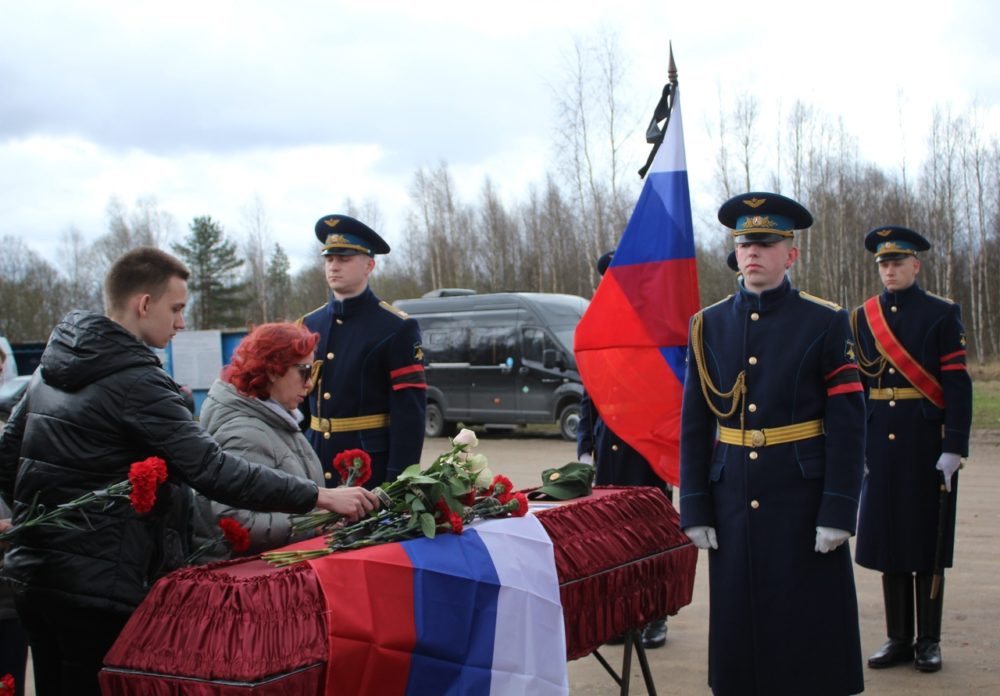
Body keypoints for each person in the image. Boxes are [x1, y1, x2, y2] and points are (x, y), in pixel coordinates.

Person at [0, 246, 380, 696]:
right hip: (101, 589)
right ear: (144, 304)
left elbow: (9, 457)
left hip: (37, 578)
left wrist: (48, 526)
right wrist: (319, 496)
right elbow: (211, 467)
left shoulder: (51, 367)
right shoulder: (136, 380)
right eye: (176, 308)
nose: (181, 322)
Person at [679, 192, 866, 696]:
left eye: (765, 242)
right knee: (741, 621)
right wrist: (694, 505)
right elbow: (695, 424)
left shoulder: (826, 321)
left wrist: (840, 510)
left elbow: (849, 425)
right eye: (744, 243)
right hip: (733, 494)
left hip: (801, 496)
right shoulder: (707, 324)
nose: (753, 252)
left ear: (791, 253)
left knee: (806, 623)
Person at [851, 226, 972, 673]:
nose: (890, 270)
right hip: (880, 442)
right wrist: (857, 444)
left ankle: (929, 640)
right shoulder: (863, 317)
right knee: (889, 543)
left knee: (927, 542)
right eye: (883, 264)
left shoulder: (942, 313)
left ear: (915, 266)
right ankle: (898, 637)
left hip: (927, 443)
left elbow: (958, 385)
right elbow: (857, 387)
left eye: (897, 262)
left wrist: (954, 446)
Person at [577, 250, 670, 649]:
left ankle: (655, 616)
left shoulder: (660, 328)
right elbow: (588, 394)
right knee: (614, 538)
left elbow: (673, 395)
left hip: (648, 452)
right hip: (609, 452)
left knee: (650, 536)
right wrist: (585, 445)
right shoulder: (598, 328)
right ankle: (622, 618)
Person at [300, 214, 427, 488]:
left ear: (369, 265)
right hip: (313, 462)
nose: (334, 266)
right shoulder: (309, 324)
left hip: (368, 469)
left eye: (344, 259)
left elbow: (409, 414)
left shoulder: (396, 327)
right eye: (329, 259)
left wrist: (398, 482)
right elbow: (297, 405)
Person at [192, 322, 331, 562]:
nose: (309, 384)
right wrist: (314, 523)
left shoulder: (272, 417)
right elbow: (236, 522)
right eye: (305, 371)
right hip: (248, 583)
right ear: (273, 370)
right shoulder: (243, 432)